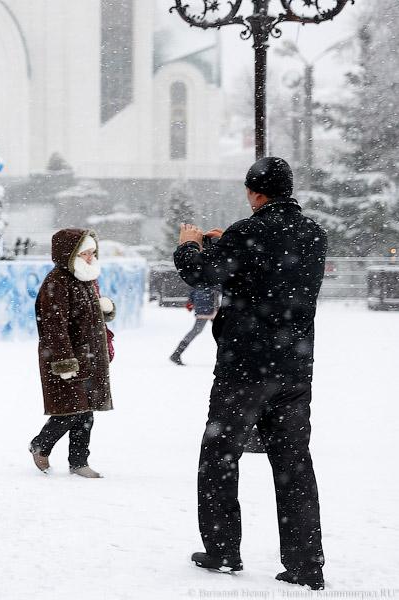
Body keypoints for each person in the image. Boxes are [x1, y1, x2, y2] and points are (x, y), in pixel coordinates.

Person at [173, 157, 328, 590]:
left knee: (220, 455)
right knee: (294, 463)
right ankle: (305, 564)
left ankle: (222, 551)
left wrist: (190, 245)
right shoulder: (313, 234)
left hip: (245, 367)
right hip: (295, 368)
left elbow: (201, 274)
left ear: (255, 193)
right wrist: (229, 246)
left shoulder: (248, 233)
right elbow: (272, 273)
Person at [29, 229, 116, 479]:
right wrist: (65, 362)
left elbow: (85, 314)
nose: (90, 257)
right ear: (69, 254)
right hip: (67, 358)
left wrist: (104, 309)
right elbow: (54, 327)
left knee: (86, 410)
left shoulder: (84, 278)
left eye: (92, 253)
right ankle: (41, 444)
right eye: (85, 253)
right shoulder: (57, 281)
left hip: (88, 356)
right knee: (72, 409)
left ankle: (79, 461)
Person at [169, 284, 220, 366]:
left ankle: (177, 353)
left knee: (199, 330)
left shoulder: (199, 279)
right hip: (208, 307)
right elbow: (219, 289)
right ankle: (176, 354)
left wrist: (192, 301)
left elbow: (193, 292)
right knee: (221, 332)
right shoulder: (212, 278)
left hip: (204, 306)